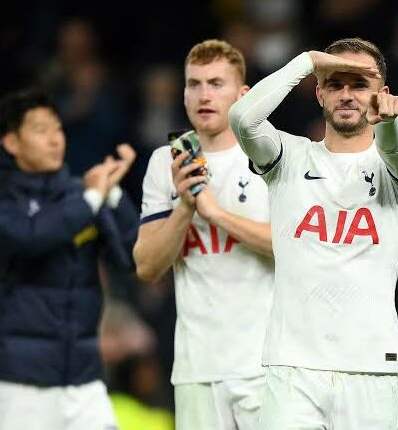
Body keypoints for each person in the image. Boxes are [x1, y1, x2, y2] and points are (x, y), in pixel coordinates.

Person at [229, 38, 398, 429]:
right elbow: (242, 118)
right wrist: (305, 62)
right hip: (292, 368)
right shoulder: (289, 158)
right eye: (335, 84)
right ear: (319, 93)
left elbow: (396, 150)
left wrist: (390, 123)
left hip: (370, 368)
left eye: (360, 84)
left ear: (382, 95)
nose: (347, 94)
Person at [0, 88, 138, 430]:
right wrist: (91, 199)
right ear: (12, 142)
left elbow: (130, 257)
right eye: (40, 129)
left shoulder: (79, 194)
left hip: (82, 381)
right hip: (17, 387)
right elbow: (30, 237)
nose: (55, 139)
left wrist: (113, 193)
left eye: (58, 128)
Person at [133, 40, 274, 430]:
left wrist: (216, 214)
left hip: (265, 363)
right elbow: (146, 266)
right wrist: (185, 207)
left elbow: (293, 247)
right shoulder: (167, 161)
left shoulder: (271, 154)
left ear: (243, 95)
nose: (204, 95)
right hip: (197, 367)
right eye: (194, 84)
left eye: (216, 83)